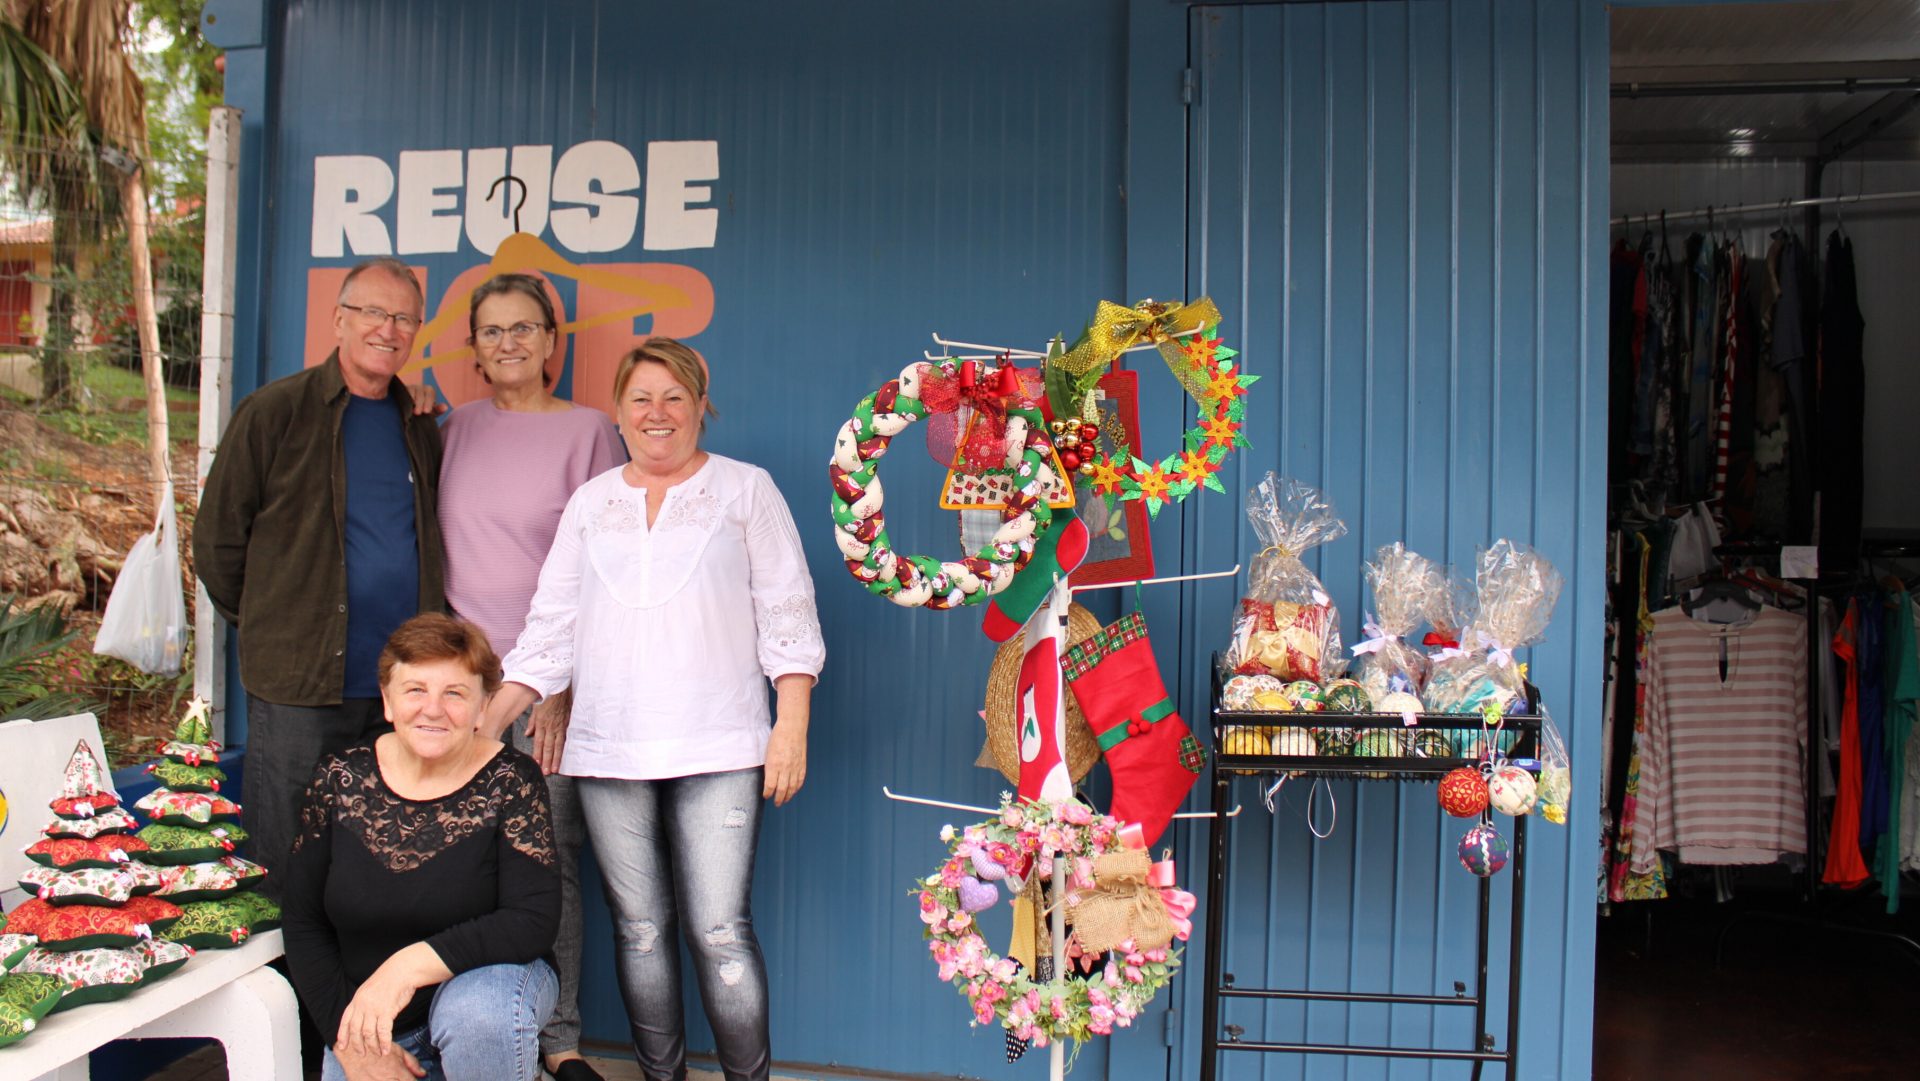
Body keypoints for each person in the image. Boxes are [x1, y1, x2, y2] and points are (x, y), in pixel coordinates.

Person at [481, 338, 824, 1081]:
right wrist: (482, 726)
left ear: (702, 406)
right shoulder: (591, 502)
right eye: (641, 397)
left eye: (674, 397)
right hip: (609, 748)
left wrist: (789, 724)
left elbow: (789, 611)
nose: (657, 412)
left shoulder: (745, 489)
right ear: (618, 411)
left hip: (721, 744)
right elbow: (549, 629)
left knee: (720, 930)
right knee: (639, 931)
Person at [194, 255, 446, 897]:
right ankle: (286, 971)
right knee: (288, 863)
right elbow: (218, 541)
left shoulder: (418, 425)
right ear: (338, 319)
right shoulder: (274, 412)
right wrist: (275, 623)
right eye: (373, 313)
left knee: (384, 864)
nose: (388, 329)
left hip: (399, 689)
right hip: (300, 688)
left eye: (404, 319)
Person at [438, 273, 624, 1081]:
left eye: (524, 328)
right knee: (449, 860)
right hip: (457, 693)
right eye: (492, 330)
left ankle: (560, 1040)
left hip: (547, 689)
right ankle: (461, 1028)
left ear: (553, 340)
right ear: (473, 347)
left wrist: (564, 684)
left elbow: (612, 567)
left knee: (544, 862)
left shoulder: (589, 432)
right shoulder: (450, 429)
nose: (508, 342)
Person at [285, 613, 560, 1081]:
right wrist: (346, 1039)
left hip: (489, 993)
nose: (433, 709)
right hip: (375, 1017)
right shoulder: (338, 778)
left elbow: (532, 919)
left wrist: (404, 968)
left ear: (483, 707)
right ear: (388, 701)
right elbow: (302, 920)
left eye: (455, 693)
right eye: (415, 690)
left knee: (478, 1016)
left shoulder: (511, 779)